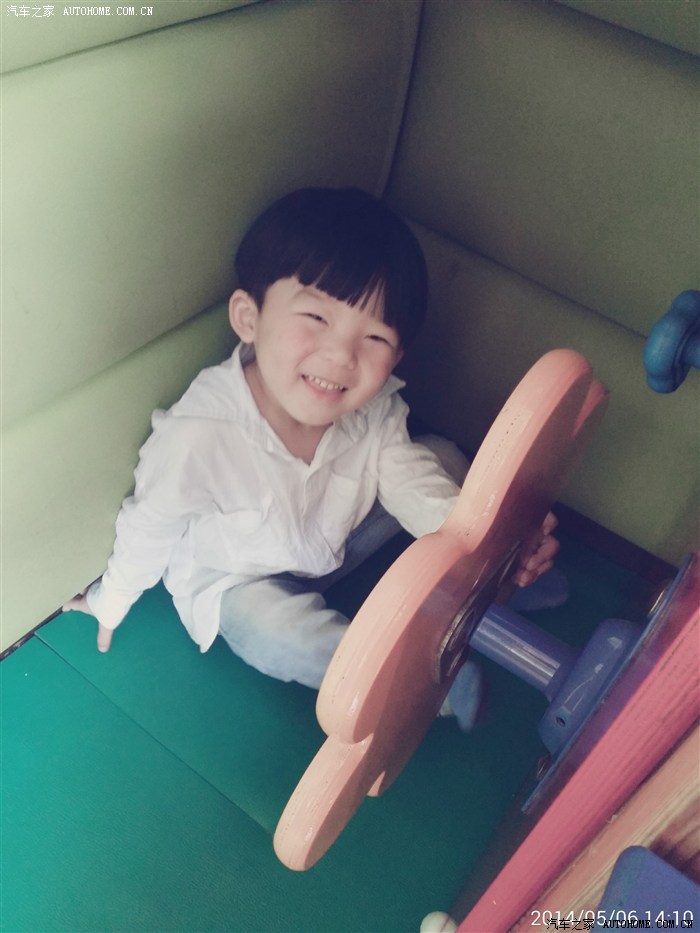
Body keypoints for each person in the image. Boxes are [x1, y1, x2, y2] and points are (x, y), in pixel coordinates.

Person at [63, 187, 559, 730]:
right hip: (242, 578)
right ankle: (409, 678)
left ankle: (498, 585)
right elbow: (149, 524)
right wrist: (111, 601)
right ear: (249, 318)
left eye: (374, 338)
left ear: (397, 355)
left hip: (332, 543)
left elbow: (411, 484)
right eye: (316, 318)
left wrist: (487, 546)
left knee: (439, 457)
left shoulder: (371, 409)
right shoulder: (200, 433)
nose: (341, 355)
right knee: (269, 632)